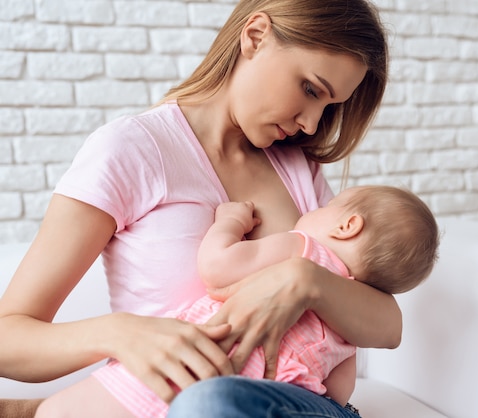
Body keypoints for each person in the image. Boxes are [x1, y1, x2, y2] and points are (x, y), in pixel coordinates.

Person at [0, 0, 398, 417]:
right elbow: (9, 337)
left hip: (294, 405)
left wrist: (306, 279)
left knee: (211, 404)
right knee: (206, 403)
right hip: (180, 405)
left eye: (329, 106)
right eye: (311, 89)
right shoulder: (133, 150)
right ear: (255, 36)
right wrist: (118, 334)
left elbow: (389, 326)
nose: (313, 123)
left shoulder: (299, 170)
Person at [35, 185, 440, 417]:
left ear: (347, 225)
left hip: (198, 369)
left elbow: (218, 267)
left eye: (326, 207)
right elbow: (336, 392)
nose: (314, 208)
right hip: (263, 401)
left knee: (62, 412)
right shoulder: (352, 318)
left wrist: (229, 223)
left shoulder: (303, 248)